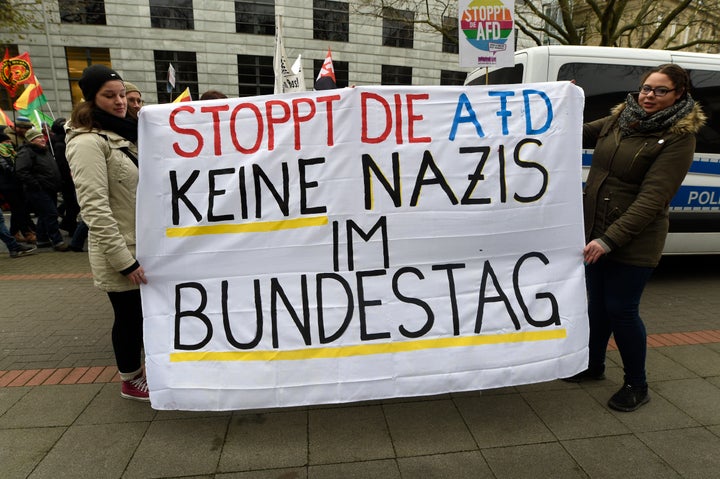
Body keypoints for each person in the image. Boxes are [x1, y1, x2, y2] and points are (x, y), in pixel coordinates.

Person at [566, 64, 706, 412]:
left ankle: (636, 384)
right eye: (646, 88)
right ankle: (592, 365)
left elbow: (652, 199)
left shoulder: (679, 138)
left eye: (660, 91)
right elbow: (573, 132)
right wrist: (561, 102)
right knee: (596, 306)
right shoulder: (620, 119)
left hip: (634, 239)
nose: (649, 95)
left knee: (621, 310)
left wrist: (609, 240)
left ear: (679, 95)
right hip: (596, 230)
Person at [65, 64, 149, 402]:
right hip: (121, 251)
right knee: (128, 317)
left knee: (141, 315)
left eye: (121, 96)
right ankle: (130, 378)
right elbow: (94, 210)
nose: (119, 102)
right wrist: (124, 261)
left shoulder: (124, 132)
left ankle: (140, 371)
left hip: (141, 245)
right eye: (109, 96)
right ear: (91, 98)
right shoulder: (87, 142)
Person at [14, 128, 69, 251]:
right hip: (38, 189)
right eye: (38, 138)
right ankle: (57, 241)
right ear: (31, 140)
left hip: (50, 188)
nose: (42, 139)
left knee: (46, 214)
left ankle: (42, 239)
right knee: (51, 213)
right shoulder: (26, 152)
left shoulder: (45, 151)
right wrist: (36, 184)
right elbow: (22, 171)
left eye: (41, 137)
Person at [0, 131, 36, 243]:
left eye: (10, 141)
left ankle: (14, 232)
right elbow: (7, 169)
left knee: (19, 209)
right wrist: (17, 169)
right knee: (18, 209)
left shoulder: (12, 152)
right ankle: (26, 233)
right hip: (7, 186)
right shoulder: (1, 154)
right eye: (6, 141)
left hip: (17, 184)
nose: (9, 143)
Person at [50, 118, 80, 235]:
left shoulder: (62, 142)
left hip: (67, 179)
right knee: (73, 204)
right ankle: (70, 226)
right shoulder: (60, 144)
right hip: (67, 180)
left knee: (72, 204)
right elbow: (63, 165)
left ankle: (67, 223)